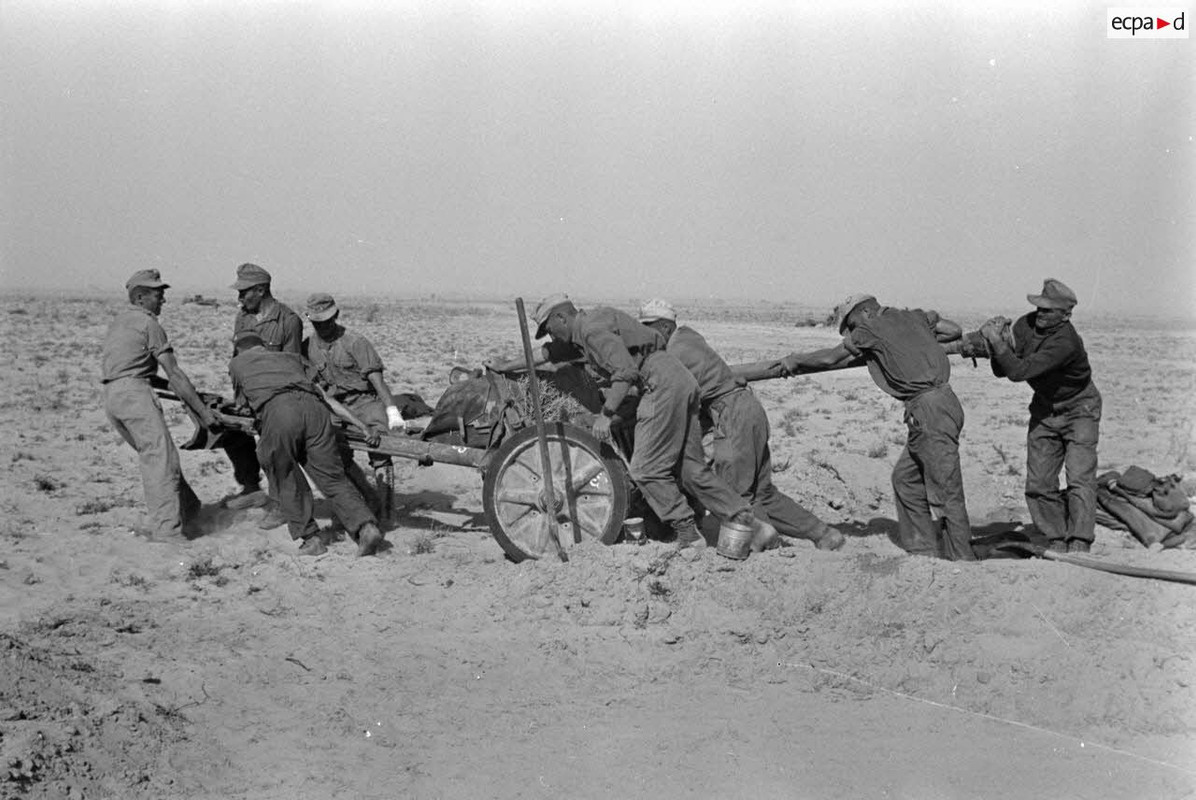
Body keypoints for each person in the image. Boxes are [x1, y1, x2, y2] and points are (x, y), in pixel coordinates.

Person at [488, 294, 776, 550]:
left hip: (659, 384)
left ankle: (687, 533)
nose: (551, 337)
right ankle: (749, 522)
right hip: (681, 381)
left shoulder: (591, 331)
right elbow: (544, 355)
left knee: (645, 469)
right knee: (690, 468)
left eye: (550, 329)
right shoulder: (585, 330)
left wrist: (606, 414)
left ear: (561, 317)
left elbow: (625, 372)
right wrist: (504, 365)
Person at [638, 299, 845, 551]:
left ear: (665, 327)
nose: (644, 337)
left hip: (730, 414)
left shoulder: (673, 353)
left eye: (648, 328)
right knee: (764, 494)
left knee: (733, 496)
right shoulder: (690, 338)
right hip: (749, 408)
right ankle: (824, 534)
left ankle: (763, 544)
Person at [779, 294, 975, 561]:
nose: (853, 332)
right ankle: (923, 551)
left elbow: (830, 358)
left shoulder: (870, 328)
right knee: (906, 480)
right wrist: (915, 340)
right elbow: (953, 330)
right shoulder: (912, 316)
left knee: (946, 490)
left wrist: (795, 360)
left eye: (852, 324)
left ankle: (962, 560)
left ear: (866, 312)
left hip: (930, 411)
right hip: (942, 404)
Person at [228, 333, 385, 557]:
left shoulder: (237, 363)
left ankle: (311, 539)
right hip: (316, 412)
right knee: (333, 477)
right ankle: (366, 528)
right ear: (263, 347)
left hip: (281, 411)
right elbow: (327, 399)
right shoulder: (291, 358)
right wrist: (363, 426)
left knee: (284, 476)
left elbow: (242, 405)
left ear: (239, 349)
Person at [979, 279, 1101, 554]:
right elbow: (1003, 369)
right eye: (1039, 307)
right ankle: (1054, 537)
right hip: (1045, 407)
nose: (1041, 314)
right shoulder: (1027, 324)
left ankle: (1080, 541)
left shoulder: (1065, 342)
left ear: (1065, 315)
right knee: (1039, 482)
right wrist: (997, 342)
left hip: (1080, 409)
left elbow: (1018, 372)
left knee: (1079, 477)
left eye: (1048, 310)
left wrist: (996, 341)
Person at [101, 269, 221, 540]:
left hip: (113, 397)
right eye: (158, 295)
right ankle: (168, 532)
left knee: (157, 456)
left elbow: (131, 369)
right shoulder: (149, 324)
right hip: (135, 396)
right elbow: (173, 372)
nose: (163, 300)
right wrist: (203, 413)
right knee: (161, 462)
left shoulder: (120, 322)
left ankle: (190, 510)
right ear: (140, 298)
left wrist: (186, 394)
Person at [303, 292, 406, 511]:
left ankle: (386, 512)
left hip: (365, 401)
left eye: (327, 320)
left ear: (336, 315)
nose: (323, 326)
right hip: (333, 406)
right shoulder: (307, 347)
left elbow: (377, 381)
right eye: (317, 322)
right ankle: (368, 498)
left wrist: (392, 412)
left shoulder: (355, 342)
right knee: (335, 456)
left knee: (380, 450)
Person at [222, 263, 306, 524]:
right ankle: (251, 489)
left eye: (244, 292)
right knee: (230, 432)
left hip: (275, 398)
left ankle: (281, 505)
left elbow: (292, 366)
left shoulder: (288, 321)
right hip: (249, 396)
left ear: (260, 290)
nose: (240, 298)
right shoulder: (243, 318)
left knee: (274, 450)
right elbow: (237, 359)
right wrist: (240, 399)